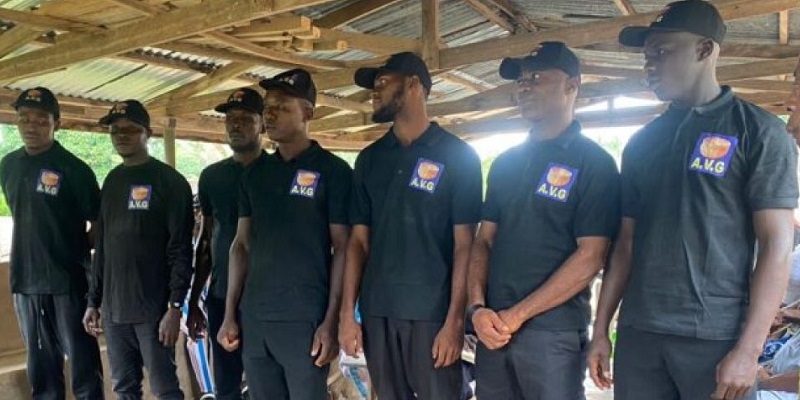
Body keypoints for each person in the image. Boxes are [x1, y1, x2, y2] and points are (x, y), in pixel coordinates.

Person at [587, 1, 799, 399]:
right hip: (640, 335)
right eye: (646, 56)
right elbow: (625, 244)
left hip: (716, 338)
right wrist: (601, 330)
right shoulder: (642, 143)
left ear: (704, 50)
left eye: (661, 52)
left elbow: (777, 243)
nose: (649, 65)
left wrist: (749, 350)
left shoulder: (758, 132)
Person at [468, 41, 620, 399]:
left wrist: (518, 315)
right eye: (521, 79)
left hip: (553, 335)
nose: (524, 86)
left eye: (537, 77)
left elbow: (591, 255)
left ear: (572, 85)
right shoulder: (505, 163)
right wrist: (476, 308)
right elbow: (483, 241)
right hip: (493, 329)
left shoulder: (594, 164)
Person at [338, 52, 483, 400]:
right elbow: (358, 242)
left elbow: (465, 245)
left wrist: (454, 322)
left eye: (383, 82)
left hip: (433, 314)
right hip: (378, 311)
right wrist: (347, 315)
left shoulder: (458, 156)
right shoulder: (370, 158)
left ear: (414, 85)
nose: (375, 91)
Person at [217, 69, 352, 400]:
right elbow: (241, 246)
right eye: (268, 108)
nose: (271, 114)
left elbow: (344, 248)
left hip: (305, 320)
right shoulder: (255, 175)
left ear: (307, 113)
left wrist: (332, 321)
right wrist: (230, 314)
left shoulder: (333, 171)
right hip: (255, 317)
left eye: (282, 107)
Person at [84, 100, 194, 400]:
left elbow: (180, 250)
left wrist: (174, 307)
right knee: (123, 388)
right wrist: (94, 301)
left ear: (148, 133)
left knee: (164, 389)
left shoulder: (170, 182)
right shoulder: (112, 181)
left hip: (153, 311)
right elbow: (102, 248)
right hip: (114, 311)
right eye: (115, 130)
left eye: (131, 129)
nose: (122, 135)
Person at [0, 87, 104, 399]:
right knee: (42, 370)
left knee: (83, 364)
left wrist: (75, 250)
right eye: (24, 119)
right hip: (25, 281)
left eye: (41, 120)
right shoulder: (9, 165)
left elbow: (100, 223)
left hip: (67, 282)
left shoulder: (74, 169)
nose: (31, 126)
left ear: (56, 123)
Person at [187, 87, 265, 400]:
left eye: (246, 118)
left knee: (266, 383)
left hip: (266, 299)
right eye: (230, 119)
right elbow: (206, 239)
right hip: (221, 295)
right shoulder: (212, 177)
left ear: (262, 123)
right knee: (226, 384)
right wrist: (195, 299)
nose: (236, 124)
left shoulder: (277, 174)